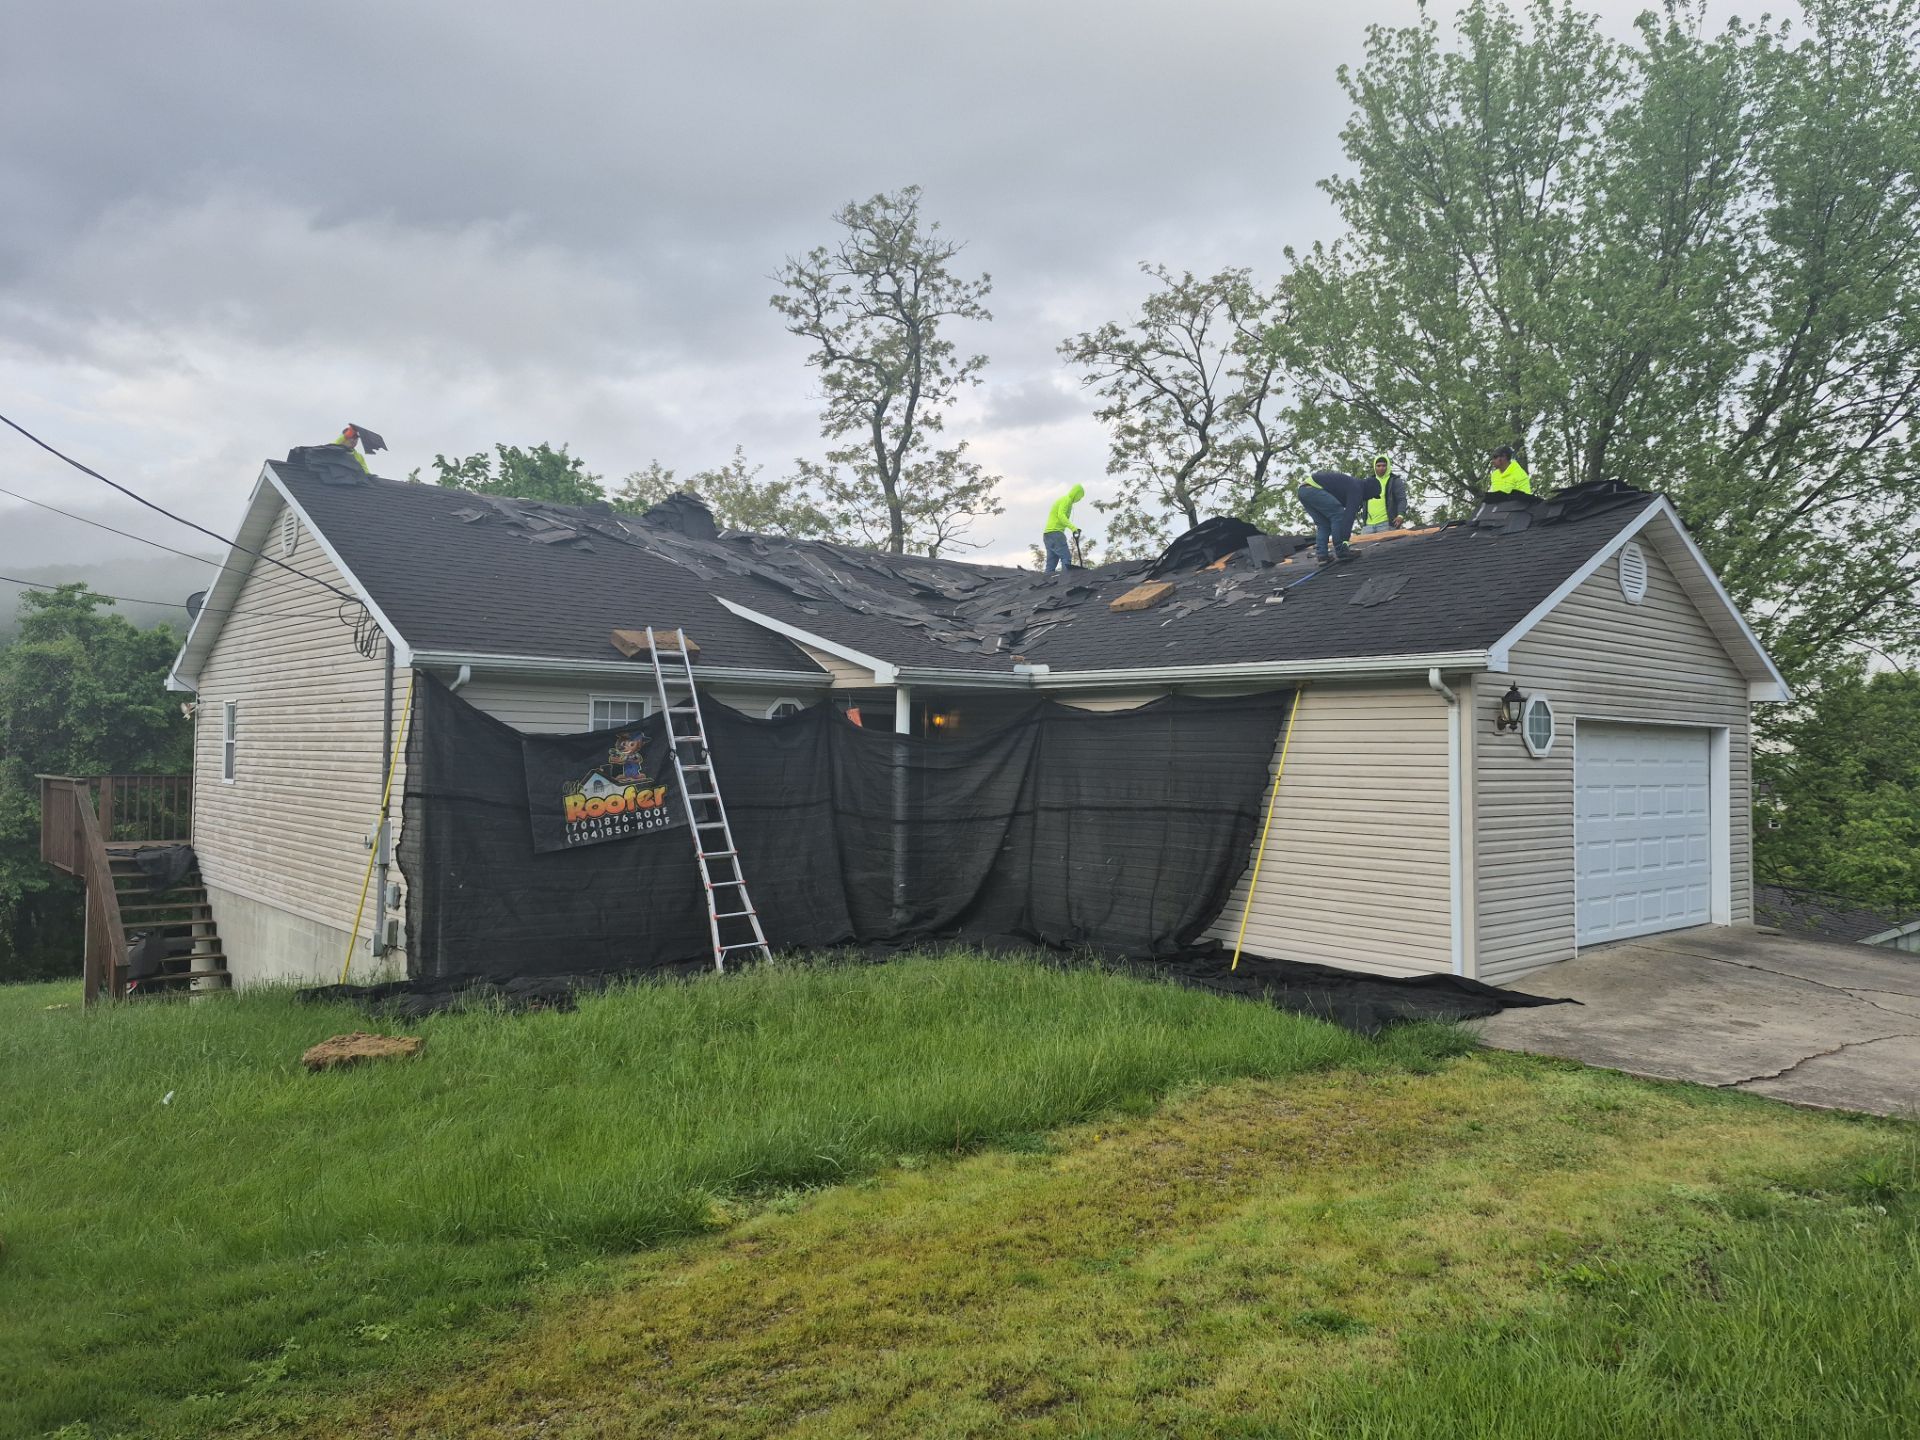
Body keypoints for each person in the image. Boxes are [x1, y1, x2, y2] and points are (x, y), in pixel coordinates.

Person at [1297, 470, 1371, 565]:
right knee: (1338, 514)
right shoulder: (1356, 487)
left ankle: (1322, 555)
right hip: (1313, 489)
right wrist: (1344, 541)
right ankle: (1341, 551)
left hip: (1303, 491)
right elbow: (1347, 515)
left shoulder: (1346, 484)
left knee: (1323, 524)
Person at [1355, 454, 1408, 534]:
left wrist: (1400, 515)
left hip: (1386, 524)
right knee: (1363, 546)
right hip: (1368, 526)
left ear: (1388, 466)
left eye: (1384, 465)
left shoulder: (1394, 481)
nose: (1381, 468)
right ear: (1374, 467)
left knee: (1388, 546)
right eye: (1378, 466)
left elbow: (1401, 499)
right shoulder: (1369, 482)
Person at [1043, 484, 1084, 574]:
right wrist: (1073, 528)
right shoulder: (1067, 500)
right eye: (1079, 497)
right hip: (1056, 533)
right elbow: (1061, 515)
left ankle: (1046, 584)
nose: (1079, 500)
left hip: (1047, 535)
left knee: (1051, 564)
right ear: (1076, 494)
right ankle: (1066, 581)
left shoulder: (1064, 500)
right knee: (1066, 557)